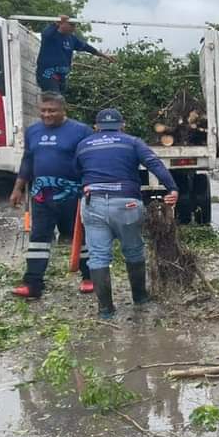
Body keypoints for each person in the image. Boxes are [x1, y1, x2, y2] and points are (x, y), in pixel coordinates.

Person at [74, 108, 179, 319]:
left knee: (98, 256)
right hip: (127, 204)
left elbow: (75, 172)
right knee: (133, 250)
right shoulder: (132, 141)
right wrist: (172, 188)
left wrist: (82, 188)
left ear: (96, 127)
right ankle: (139, 297)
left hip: (93, 202)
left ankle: (105, 309)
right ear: (123, 125)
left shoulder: (84, 144)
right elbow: (153, 163)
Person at [9, 93, 94, 299]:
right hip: (41, 195)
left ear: (64, 110)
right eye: (43, 111)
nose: (47, 114)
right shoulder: (33, 131)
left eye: (52, 111)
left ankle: (89, 277)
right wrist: (18, 188)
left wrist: (91, 185)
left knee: (80, 237)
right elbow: (28, 160)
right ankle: (33, 284)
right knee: (38, 238)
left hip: (73, 194)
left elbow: (91, 161)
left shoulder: (81, 131)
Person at [36, 15, 115, 94]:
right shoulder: (51, 34)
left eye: (75, 25)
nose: (73, 28)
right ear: (62, 23)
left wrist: (105, 56)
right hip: (48, 75)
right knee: (53, 98)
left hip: (62, 77)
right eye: (71, 25)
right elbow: (46, 34)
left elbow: (88, 48)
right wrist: (56, 23)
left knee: (60, 101)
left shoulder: (72, 39)